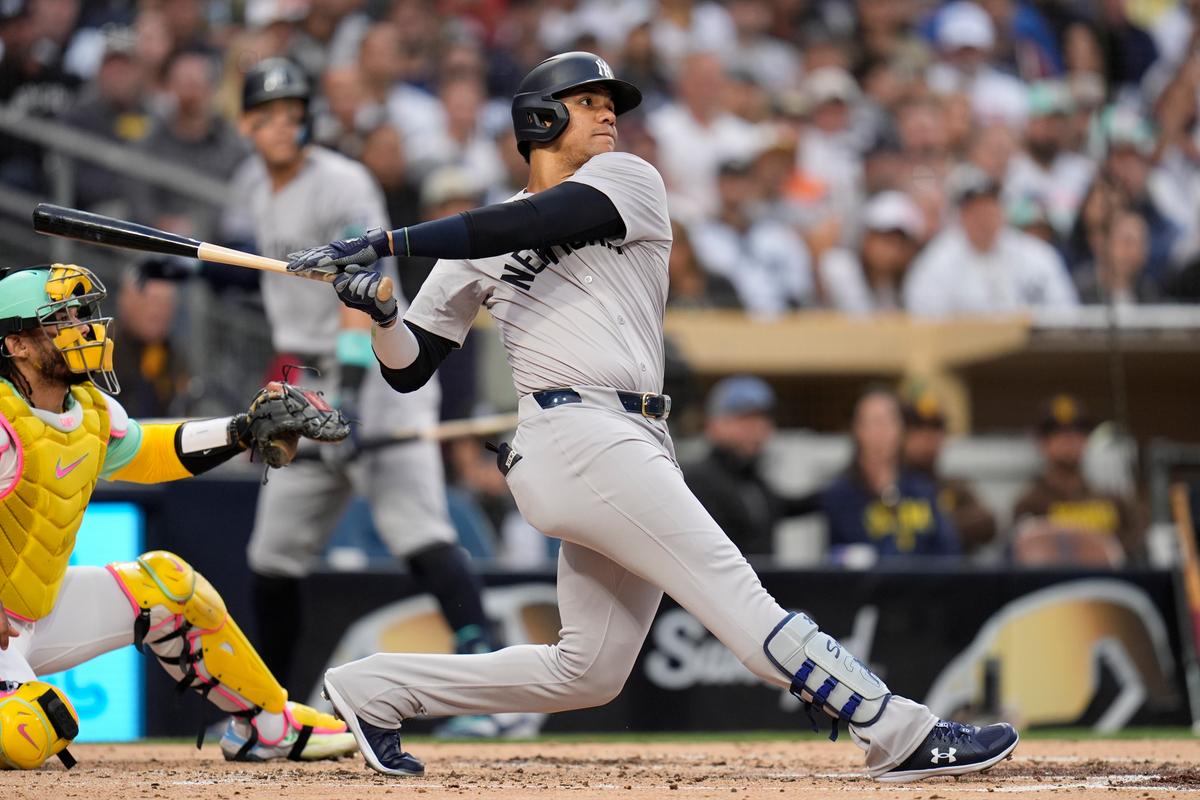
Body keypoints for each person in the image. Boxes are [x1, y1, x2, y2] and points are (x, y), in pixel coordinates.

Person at [284, 51, 1018, 782]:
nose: (609, 113)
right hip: (573, 434)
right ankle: (897, 730)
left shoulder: (626, 180)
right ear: (539, 119)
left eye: (611, 103)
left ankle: (373, 688)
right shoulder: (476, 244)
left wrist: (386, 241)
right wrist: (382, 314)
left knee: (587, 671)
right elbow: (409, 367)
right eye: (588, 101)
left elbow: (536, 219)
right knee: (737, 595)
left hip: (634, 436)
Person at [0, 263, 357, 768]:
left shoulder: (88, 410)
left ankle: (270, 725)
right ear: (17, 344)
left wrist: (242, 430)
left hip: (32, 615)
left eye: (80, 315)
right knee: (29, 733)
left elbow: (149, 454)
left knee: (169, 586)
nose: (82, 328)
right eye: (60, 319)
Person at [228, 59, 504, 713]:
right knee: (272, 557)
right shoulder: (256, 187)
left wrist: (349, 394)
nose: (283, 127)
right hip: (306, 380)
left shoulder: (343, 183)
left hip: (376, 371)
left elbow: (361, 288)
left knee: (420, 532)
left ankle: (491, 690)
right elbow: (279, 282)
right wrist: (196, 275)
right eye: (268, 116)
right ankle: (273, 711)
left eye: (294, 114)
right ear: (246, 126)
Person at [904, 165, 1079, 316]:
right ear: (961, 215)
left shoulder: (1035, 254)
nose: (983, 218)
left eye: (989, 207)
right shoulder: (937, 261)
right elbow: (924, 315)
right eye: (975, 210)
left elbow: (1064, 310)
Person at [682, 376, 817, 557]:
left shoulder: (753, 480)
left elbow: (789, 506)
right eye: (745, 419)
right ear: (714, 424)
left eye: (763, 419)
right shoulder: (695, 480)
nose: (758, 428)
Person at [822, 387, 962, 560]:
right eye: (874, 422)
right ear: (857, 429)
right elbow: (838, 555)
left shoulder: (922, 489)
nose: (882, 431)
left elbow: (948, 551)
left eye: (890, 421)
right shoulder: (841, 494)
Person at [1012, 394, 1145, 564]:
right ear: (1041, 442)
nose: (1069, 438)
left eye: (1079, 430)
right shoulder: (1029, 504)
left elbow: (1136, 552)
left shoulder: (1115, 501)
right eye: (1056, 432)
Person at [900, 387, 997, 556]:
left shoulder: (953, 487)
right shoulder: (890, 485)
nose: (928, 437)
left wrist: (932, 525)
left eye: (935, 429)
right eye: (918, 429)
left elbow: (987, 523)